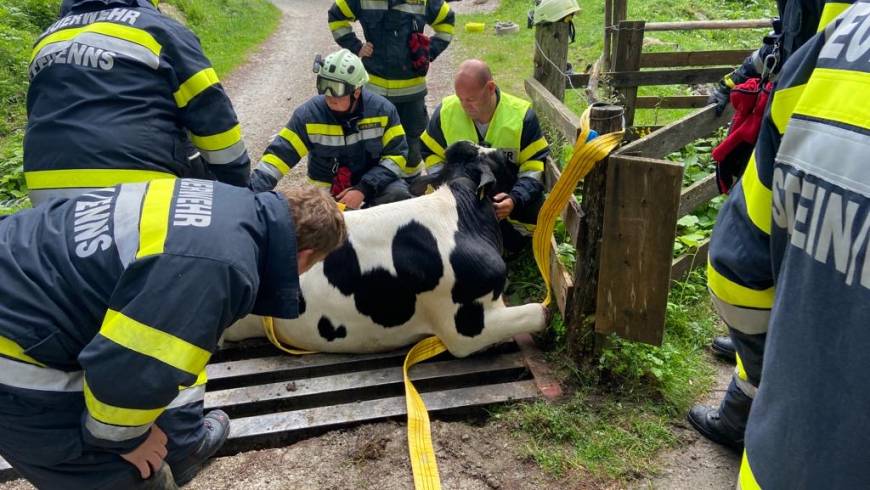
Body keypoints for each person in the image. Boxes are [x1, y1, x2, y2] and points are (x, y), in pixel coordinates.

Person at [0, 181, 346, 489]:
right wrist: (124, 442)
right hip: (15, 347)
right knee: (124, 473)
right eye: (308, 267)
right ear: (303, 255)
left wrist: (174, 437)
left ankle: (182, 446)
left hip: (22, 270)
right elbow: (130, 370)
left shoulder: (222, 202)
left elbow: (164, 348)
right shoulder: (221, 269)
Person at [708, 3, 869, 486]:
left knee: (772, 279)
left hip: (781, 461)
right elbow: (777, 39)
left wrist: (773, 369)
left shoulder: (839, 37)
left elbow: (733, 273)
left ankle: (742, 404)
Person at [24, 0, 251, 206]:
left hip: (48, 205)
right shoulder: (159, 31)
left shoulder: (45, 41)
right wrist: (239, 187)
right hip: (139, 198)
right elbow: (214, 121)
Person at [250, 49, 412, 209]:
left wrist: (363, 189)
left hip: (372, 187)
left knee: (398, 195)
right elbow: (279, 156)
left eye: (336, 89)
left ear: (356, 91)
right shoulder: (308, 115)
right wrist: (249, 195)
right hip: (326, 195)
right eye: (324, 85)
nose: (329, 95)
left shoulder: (383, 111)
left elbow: (397, 155)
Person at [420, 59, 549, 253]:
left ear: (490, 88)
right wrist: (446, 187)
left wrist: (514, 199)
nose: (464, 106)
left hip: (504, 195)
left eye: (471, 100)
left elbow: (533, 167)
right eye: (460, 98)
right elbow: (430, 153)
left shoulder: (522, 116)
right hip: (460, 194)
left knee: (535, 207)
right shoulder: (445, 112)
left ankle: (517, 245)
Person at [327, 0, 455, 173]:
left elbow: (446, 21)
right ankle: (378, 186)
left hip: (412, 92)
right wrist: (356, 47)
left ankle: (411, 184)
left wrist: (428, 51)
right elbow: (336, 17)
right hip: (375, 90)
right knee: (374, 143)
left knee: (413, 143)